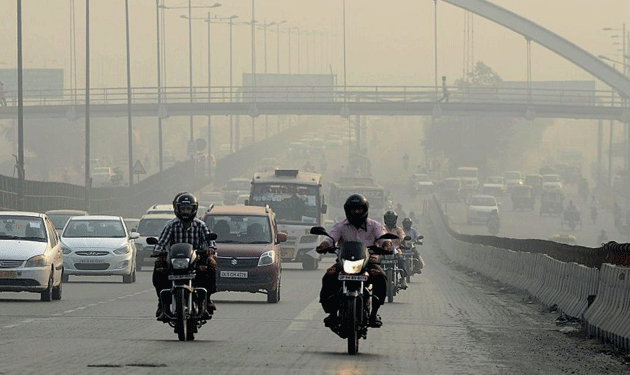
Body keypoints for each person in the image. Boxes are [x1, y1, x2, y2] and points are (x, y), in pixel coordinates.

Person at [316, 194, 392, 328]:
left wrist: (387, 246)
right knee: (328, 276)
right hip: (343, 264)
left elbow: (384, 239)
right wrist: (324, 246)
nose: (356, 212)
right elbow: (330, 239)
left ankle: (374, 313)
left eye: (359, 209)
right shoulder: (340, 226)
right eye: (353, 209)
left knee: (381, 278)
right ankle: (332, 313)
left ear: (365, 210)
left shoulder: (375, 226)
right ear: (347, 210)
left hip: (369, 264)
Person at [152, 192, 217, 320]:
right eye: (183, 209)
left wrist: (210, 251)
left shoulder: (200, 225)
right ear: (177, 209)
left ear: (194, 209)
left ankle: (207, 298)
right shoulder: (171, 225)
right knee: (158, 270)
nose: (186, 212)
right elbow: (161, 242)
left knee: (211, 266)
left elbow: (210, 242)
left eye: (188, 209)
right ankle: (162, 303)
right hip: (174, 260)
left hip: (196, 259)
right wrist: (157, 252)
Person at [383, 210, 408, 289]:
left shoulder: (398, 229)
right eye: (389, 218)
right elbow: (377, 237)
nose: (390, 220)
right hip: (384, 251)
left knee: (401, 259)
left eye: (392, 218)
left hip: (396, 250)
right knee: (375, 261)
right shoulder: (381, 228)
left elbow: (402, 237)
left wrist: (404, 243)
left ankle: (403, 279)